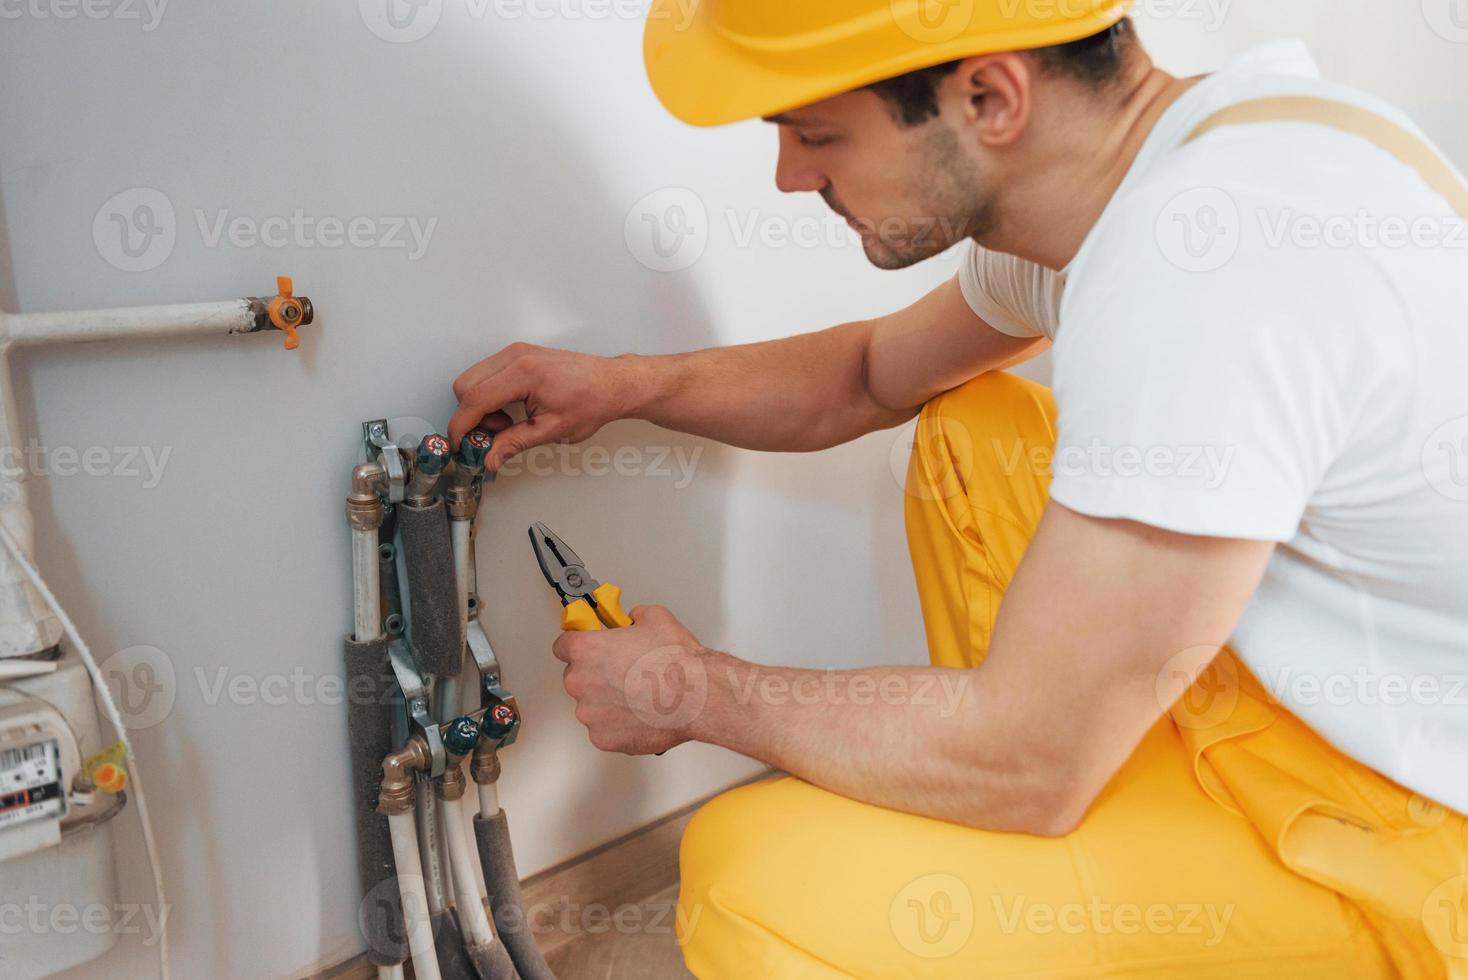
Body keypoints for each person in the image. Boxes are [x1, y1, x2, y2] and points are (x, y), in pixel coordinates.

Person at [449, 2, 1468, 975]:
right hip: (1305, 702)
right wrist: (625, 386)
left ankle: (1035, 806)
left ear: (987, 98)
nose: (787, 177)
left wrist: (693, 688)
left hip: (1415, 850)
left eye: (815, 135)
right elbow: (868, 372)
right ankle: (1034, 780)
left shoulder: (1204, 268)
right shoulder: (1187, 157)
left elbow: (1030, 756)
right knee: (971, 425)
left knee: (752, 879)